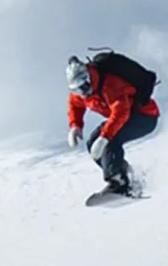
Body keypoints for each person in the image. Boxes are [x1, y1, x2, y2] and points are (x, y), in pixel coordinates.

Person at [66, 54, 159, 195]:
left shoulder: (109, 85)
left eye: (83, 86)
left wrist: (105, 138)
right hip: (125, 118)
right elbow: (75, 105)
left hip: (144, 117)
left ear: (88, 78)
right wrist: (75, 126)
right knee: (93, 143)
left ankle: (119, 182)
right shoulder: (82, 93)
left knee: (110, 141)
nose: (82, 93)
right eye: (76, 89)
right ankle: (125, 174)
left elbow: (121, 112)